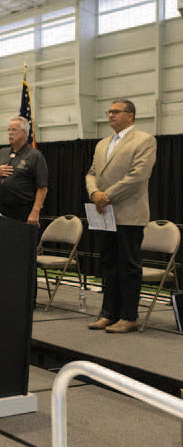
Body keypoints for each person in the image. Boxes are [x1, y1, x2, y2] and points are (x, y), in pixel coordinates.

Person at [85, 99, 156, 334]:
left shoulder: (144, 140)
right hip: (104, 212)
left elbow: (138, 175)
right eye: (110, 111)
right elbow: (92, 173)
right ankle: (108, 314)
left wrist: (107, 195)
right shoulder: (102, 143)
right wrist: (94, 192)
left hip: (129, 213)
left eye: (116, 112)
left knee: (128, 266)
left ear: (130, 115)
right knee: (108, 264)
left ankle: (129, 316)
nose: (111, 115)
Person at [0, 116, 48, 227]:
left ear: (25, 133)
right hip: (2, 212)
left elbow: (42, 187)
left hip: (24, 214)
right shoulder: (2, 153)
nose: (10, 133)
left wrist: (35, 211)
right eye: (8, 130)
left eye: (13, 130)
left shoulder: (35, 156)